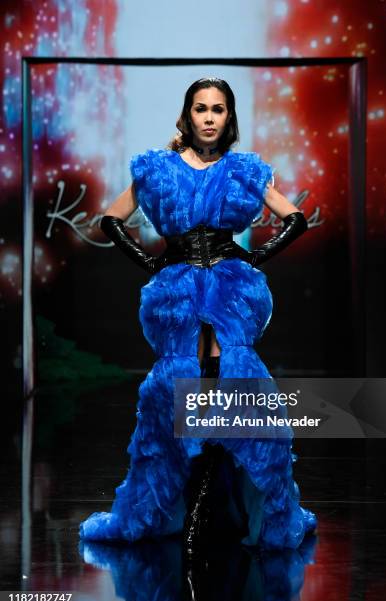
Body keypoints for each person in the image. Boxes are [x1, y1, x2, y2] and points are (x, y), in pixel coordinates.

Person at [79, 77, 317, 558]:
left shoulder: (244, 169)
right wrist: (151, 264)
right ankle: (194, 500)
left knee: (227, 379)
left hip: (231, 288)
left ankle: (205, 504)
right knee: (181, 384)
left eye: (219, 109)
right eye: (201, 108)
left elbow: (294, 218)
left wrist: (257, 256)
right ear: (187, 115)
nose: (209, 117)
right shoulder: (156, 169)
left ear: (230, 118)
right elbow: (109, 219)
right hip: (177, 292)